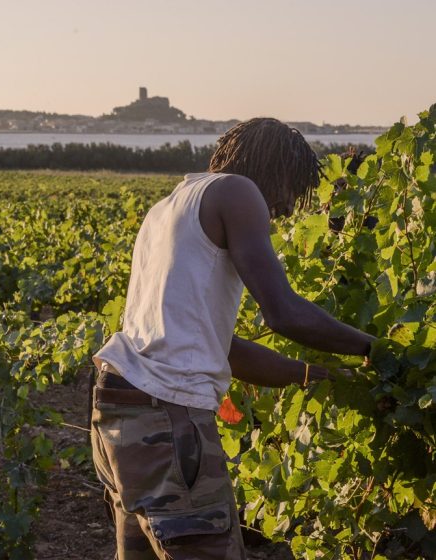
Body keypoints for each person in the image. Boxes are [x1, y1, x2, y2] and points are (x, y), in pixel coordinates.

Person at [90, 118, 375, 560]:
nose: (282, 210)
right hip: (167, 419)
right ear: (273, 169)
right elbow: (283, 312)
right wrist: (374, 347)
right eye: (289, 191)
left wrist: (305, 374)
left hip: (119, 410)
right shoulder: (237, 191)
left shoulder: (167, 209)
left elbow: (221, 347)